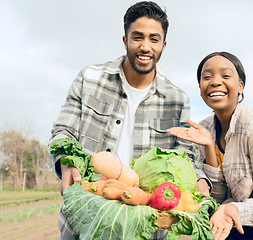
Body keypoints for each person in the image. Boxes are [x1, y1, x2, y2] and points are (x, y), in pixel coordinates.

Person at [49, 2, 209, 239]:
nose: (145, 47)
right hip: (87, 216)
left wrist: (200, 179)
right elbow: (63, 130)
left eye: (154, 39)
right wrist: (66, 162)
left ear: (163, 45)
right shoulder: (89, 79)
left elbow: (184, 157)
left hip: (145, 225)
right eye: (137, 37)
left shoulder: (177, 99)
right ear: (125, 40)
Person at [166, 51, 253, 240]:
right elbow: (217, 197)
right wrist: (210, 147)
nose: (215, 82)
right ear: (200, 87)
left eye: (226, 76)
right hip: (235, 221)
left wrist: (230, 209)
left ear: (240, 86)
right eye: (207, 77)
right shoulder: (205, 129)